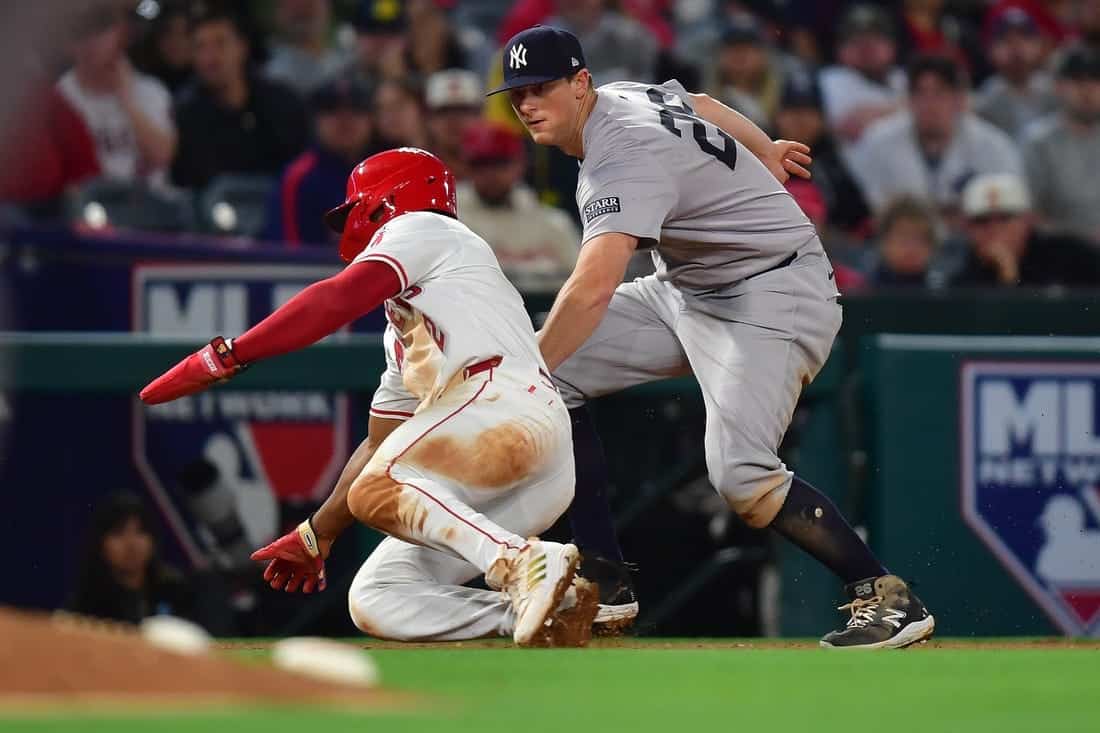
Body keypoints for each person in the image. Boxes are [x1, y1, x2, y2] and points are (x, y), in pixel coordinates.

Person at [488, 25, 936, 649]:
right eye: (517, 93)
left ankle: (884, 594)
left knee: (742, 476)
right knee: (556, 378)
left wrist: (518, 378)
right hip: (689, 288)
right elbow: (701, 105)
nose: (527, 103)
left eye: (542, 87)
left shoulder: (620, 153)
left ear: (581, 83)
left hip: (773, 293)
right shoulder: (621, 96)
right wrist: (765, 148)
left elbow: (590, 290)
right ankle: (604, 580)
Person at [139, 148, 593, 647]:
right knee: (378, 595)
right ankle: (551, 607)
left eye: (353, 208)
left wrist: (230, 354)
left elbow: (334, 299)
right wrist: (318, 533)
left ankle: (520, 563)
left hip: (506, 405)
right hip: (526, 459)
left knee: (379, 487)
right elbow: (382, 444)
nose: (347, 225)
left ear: (384, 202)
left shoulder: (426, 227)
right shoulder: (407, 316)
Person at [849, 54, 1022, 216]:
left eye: (939, 93)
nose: (929, 104)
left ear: (959, 99)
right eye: (920, 93)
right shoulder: (877, 141)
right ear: (908, 99)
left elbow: (1012, 206)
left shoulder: (993, 145)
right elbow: (868, 208)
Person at [171, 7, 310, 189]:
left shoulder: (283, 103)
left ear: (242, 47)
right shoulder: (184, 115)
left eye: (220, 43)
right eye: (200, 47)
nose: (211, 57)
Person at [58, 5, 176, 185]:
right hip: (87, 203)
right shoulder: (61, 95)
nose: (91, 42)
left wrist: (128, 103)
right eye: (81, 33)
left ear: (119, 35)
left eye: (99, 32)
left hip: (148, 204)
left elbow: (162, 156)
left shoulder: (151, 91)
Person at [456, 121, 581, 290]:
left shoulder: (551, 222)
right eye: (481, 164)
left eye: (500, 163)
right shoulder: (451, 218)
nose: (490, 174)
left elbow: (582, 283)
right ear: (467, 167)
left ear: (519, 165)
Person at [263, 75, 378, 247]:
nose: (344, 119)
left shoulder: (383, 172)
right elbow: (289, 254)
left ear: (370, 120)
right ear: (316, 121)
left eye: (356, 109)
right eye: (331, 110)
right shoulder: (299, 178)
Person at [946, 172, 1100, 287]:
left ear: (1027, 220)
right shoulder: (959, 264)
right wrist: (1007, 275)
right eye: (981, 221)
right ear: (966, 227)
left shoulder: (1067, 253)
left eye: (1005, 218)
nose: (993, 228)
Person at [67, 491, 193, 625]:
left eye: (140, 532)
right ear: (100, 544)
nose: (132, 544)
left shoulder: (175, 590)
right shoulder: (84, 605)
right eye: (118, 533)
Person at [1022, 46, 1100, 242]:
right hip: (1059, 252)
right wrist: (1080, 241)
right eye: (1077, 81)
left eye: (1095, 80)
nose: (1087, 90)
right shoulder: (1038, 141)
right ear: (1058, 87)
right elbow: (1029, 214)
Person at [818, 5, 907, 148]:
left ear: (892, 46)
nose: (866, 48)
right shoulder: (832, 79)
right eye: (856, 41)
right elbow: (851, 126)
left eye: (876, 40)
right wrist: (907, 108)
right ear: (840, 49)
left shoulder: (902, 77)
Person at [974, 7, 1059, 139]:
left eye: (1025, 38)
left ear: (1040, 45)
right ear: (991, 49)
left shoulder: (1056, 93)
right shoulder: (985, 101)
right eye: (1006, 40)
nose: (1016, 47)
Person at [263, 0, 350, 95]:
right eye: (296, 8)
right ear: (279, 14)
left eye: (310, 6)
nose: (302, 9)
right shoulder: (273, 75)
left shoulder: (345, 64)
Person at [866, 195, 940, 287]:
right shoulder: (863, 291)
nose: (912, 248)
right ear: (884, 242)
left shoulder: (942, 291)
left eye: (919, 240)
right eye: (903, 239)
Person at [423, 69, 484, 180]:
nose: (453, 120)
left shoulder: (502, 169)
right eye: (444, 112)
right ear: (429, 120)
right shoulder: (417, 172)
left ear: (480, 116)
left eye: (463, 110)